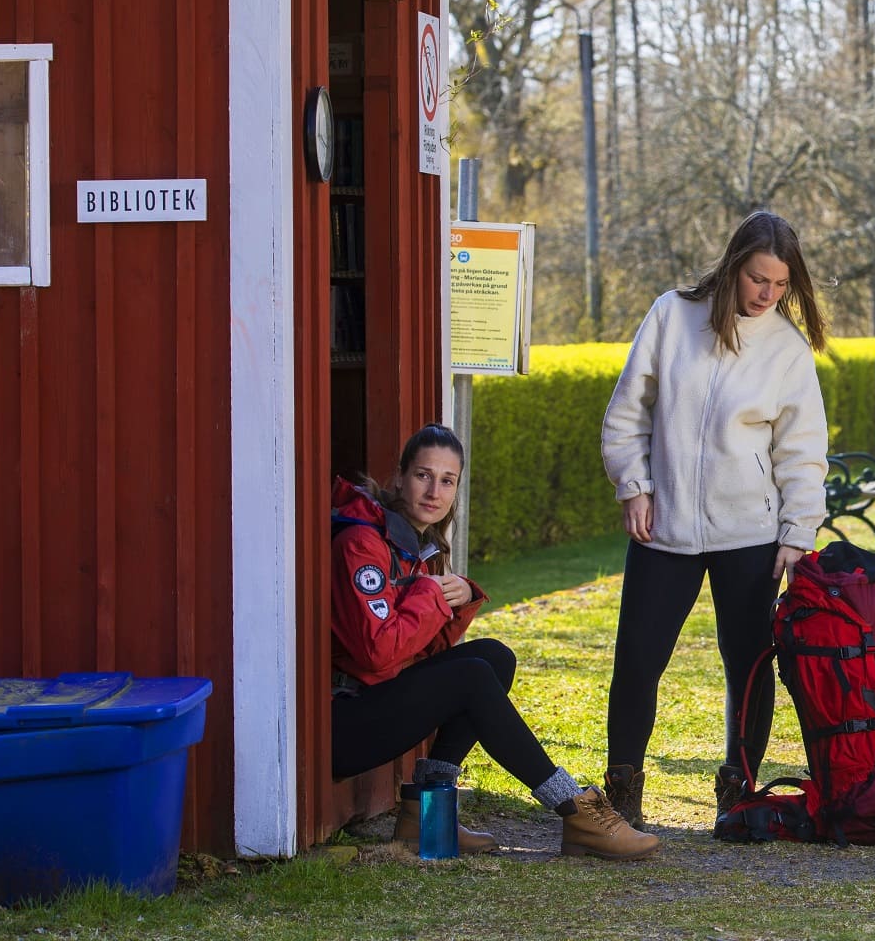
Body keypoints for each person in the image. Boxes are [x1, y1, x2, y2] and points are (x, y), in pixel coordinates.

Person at [330, 423, 658, 860]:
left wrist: (461, 597)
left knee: (493, 658)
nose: (434, 491)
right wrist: (430, 596)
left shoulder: (414, 547)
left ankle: (425, 815)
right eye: (423, 475)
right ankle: (573, 808)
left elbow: (421, 653)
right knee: (469, 676)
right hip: (338, 724)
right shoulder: (361, 543)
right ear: (400, 477)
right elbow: (377, 654)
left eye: (447, 481)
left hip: (372, 705)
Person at [599, 210, 830, 829]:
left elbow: (802, 450)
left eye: (782, 286)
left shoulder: (786, 350)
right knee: (638, 659)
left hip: (750, 536)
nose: (768, 295)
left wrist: (797, 533)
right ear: (734, 266)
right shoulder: (671, 316)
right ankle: (622, 790)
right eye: (759, 279)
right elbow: (627, 412)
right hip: (664, 529)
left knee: (749, 667)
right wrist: (635, 486)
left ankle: (740, 788)